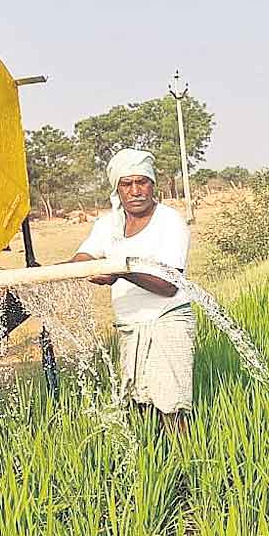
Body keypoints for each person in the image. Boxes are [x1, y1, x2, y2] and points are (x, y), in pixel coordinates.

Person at [69, 148, 194, 434]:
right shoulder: (108, 225)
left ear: (153, 185)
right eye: (127, 184)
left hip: (168, 320)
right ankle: (155, 468)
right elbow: (82, 260)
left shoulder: (169, 222)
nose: (136, 190)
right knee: (140, 405)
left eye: (142, 182)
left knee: (171, 406)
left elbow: (168, 284)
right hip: (129, 326)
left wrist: (120, 270)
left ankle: (191, 468)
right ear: (117, 189)